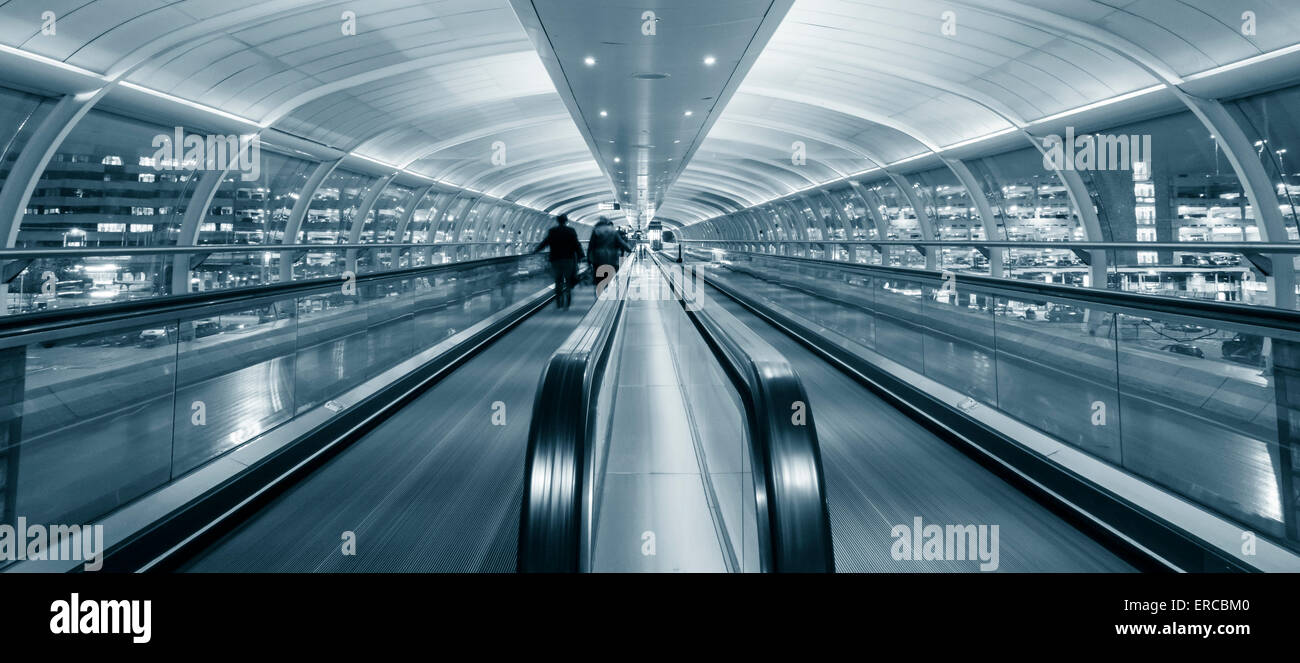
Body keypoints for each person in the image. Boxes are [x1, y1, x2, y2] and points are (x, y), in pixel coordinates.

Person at [534, 214, 583, 309]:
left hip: (555, 259)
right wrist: (581, 255)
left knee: (558, 280)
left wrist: (535, 251)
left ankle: (558, 300)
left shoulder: (552, 231)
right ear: (566, 221)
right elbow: (576, 244)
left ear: (558, 221)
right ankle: (568, 297)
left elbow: (545, 242)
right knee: (568, 279)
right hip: (568, 259)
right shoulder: (571, 231)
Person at [587, 216, 634, 293]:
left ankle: (599, 293)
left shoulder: (596, 231)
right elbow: (621, 243)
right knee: (609, 277)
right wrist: (629, 249)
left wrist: (589, 260)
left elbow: (591, 246)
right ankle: (607, 291)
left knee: (599, 278)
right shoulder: (613, 231)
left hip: (598, 259)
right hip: (612, 259)